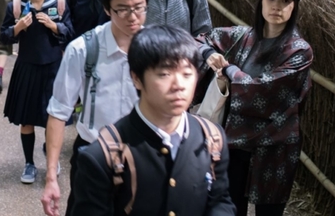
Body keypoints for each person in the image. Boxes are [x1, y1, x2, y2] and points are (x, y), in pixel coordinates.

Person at [69, 25, 236, 216]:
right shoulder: (103, 156)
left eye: (187, 74)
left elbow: (220, 200)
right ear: (136, 78)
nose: (179, 85)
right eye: (165, 74)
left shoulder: (212, 138)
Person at [197, 0, 312, 216]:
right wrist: (208, 55)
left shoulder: (299, 51)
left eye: (285, 1)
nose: (277, 6)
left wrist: (228, 69)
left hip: (275, 146)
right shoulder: (242, 37)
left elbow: (259, 88)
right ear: (261, 1)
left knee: (268, 212)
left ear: (294, 7)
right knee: (230, 208)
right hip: (236, 141)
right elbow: (200, 40)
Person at [41, 0, 150, 216]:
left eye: (139, 8)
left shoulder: (157, 48)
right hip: (93, 156)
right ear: (106, 8)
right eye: (122, 9)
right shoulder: (83, 49)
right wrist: (51, 177)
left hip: (144, 159)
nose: (132, 17)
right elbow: (59, 111)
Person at [1, 0, 74, 184]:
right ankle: (29, 164)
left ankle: (52, 160)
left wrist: (54, 26)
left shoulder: (58, 2)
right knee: (27, 119)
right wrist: (18, 28)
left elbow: (70, 32)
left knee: (53, 118)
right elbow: (4, 36)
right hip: (26, 67)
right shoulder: (15, 5)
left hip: (54, 68)